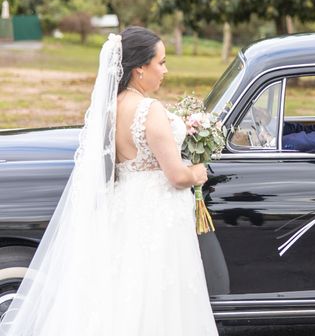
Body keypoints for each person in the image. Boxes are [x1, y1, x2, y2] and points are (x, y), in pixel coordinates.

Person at [0, 27, 218, 336]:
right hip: (157, 215)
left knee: (123, 291)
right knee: (161, 296)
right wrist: (197, 172)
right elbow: (177, 176)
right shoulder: (150, 110)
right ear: (140, 68)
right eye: (161, 62)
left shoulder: (109, 109)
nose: (165, 71)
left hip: (126, 206)